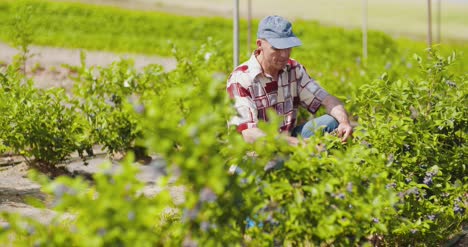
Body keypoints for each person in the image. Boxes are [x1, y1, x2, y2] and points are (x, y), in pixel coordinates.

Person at [226, 15, 353, 145]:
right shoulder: (241, 79)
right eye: (277, 48)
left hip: (287, 141)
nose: (284, 54)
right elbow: (248, 134)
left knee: (331, 122)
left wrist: (344, 122)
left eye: (288, 47)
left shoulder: (294, 69)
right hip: (255, 153)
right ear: (260, 45)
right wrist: (298, 144)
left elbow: (326, 99)